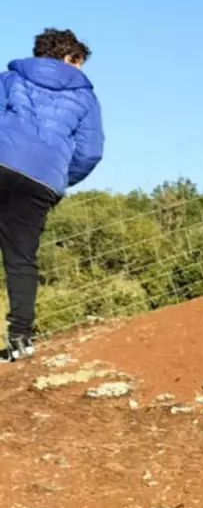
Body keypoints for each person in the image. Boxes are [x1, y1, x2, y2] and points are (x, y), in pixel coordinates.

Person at [0, 29, 104, 360]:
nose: (80, 69)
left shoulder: (10, 79)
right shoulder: (86, 98)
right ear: (70, 57)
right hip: (41, 180)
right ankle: (20, 339)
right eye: (79, 62)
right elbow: (90, 152)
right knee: (21, 257)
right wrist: (57, 177)